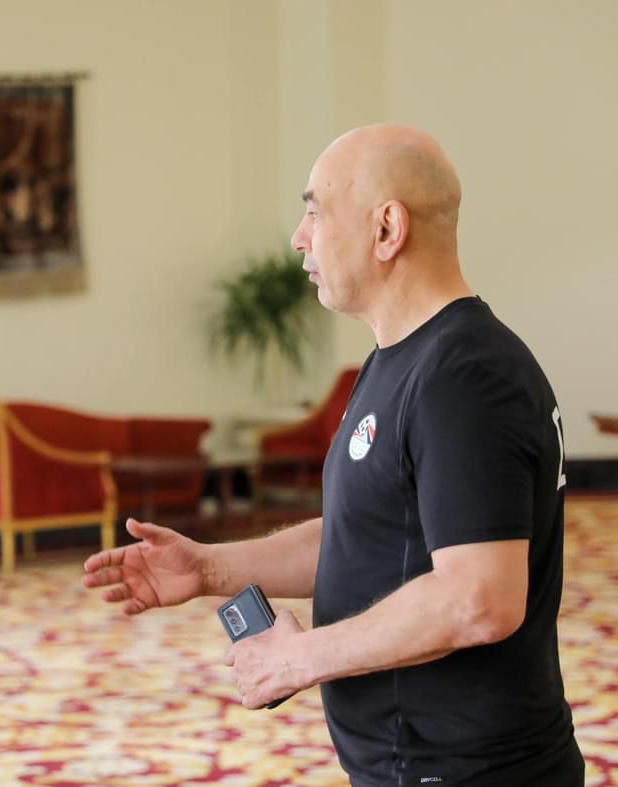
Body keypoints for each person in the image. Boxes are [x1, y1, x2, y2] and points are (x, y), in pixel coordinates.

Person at [82, 125, 584, 786]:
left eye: (316, 212)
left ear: (387, 229)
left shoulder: (464, 375)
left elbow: (479, 598)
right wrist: (207, 567)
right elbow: (366, 535)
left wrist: (299, 659)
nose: (299, 237)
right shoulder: (403, 360)